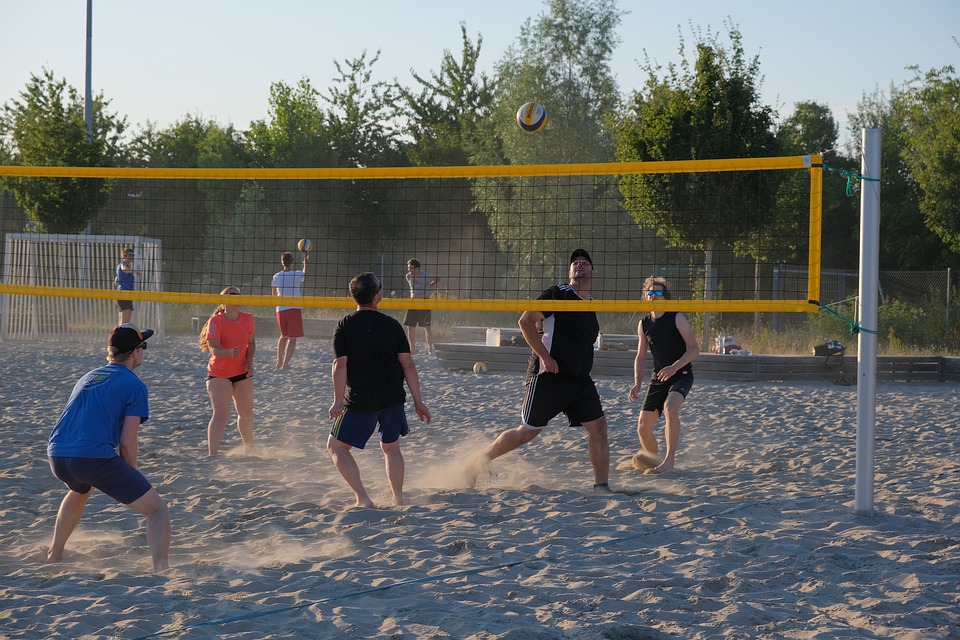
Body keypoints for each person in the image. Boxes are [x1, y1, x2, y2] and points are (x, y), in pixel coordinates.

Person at [465, 249, 611, 493]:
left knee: (599, 428)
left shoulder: (592, 304)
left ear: (593, 272)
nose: (579, 266)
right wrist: (546, 356)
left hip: (579, 381)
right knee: (527, 432)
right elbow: (525, 321)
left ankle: (602, 486)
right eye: (575, 263)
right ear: (569, 271)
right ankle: (475, 464)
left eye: (585, 263)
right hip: (548, 376)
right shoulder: (558, 293)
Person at [45, 323, 171, 572]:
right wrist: (130, 476)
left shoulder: (89, 375)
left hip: (57, 454)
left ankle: (54, 554)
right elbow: (127, 441)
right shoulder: (134, 385)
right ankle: (161, 568)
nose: (143, 351)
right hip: (91, 457)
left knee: (80, 491)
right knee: (157, 510)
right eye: (143, 346)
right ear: (135, 352)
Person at [327, 272, 431, 508]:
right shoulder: (392, 325)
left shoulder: (344, 325)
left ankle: (363, 499)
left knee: (336, 447)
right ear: (377, 297)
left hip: (361, 399)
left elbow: (339, 364)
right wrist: (418, 401)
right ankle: (398, 498)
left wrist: (337, 401)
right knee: (391, 448)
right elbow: (408, 365)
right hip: (392, 397)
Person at [627, 276, 700, 475]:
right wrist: (636, 383)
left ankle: (669, 462)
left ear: (665, 296)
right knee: (643, 427)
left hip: (681, 373)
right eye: (650, 292)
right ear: (646, 296)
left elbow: (694, 348)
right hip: (659, 377)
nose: (653, 296)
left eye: (658, 292)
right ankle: (653, 459)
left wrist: (675, 367)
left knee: (670, 407)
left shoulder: (676, 317)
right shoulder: (644, 324)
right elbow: (640, 357)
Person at [199, 286, 256, 456]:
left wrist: (249, 362)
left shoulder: (248, 319)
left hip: (241, 371)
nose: (235, 298)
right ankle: (212, 454)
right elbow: (213, 348)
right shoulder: (216, 321)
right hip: (219, 373)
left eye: (238, 295)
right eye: (232, 295)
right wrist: (229, 353)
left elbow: (251, 343)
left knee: (245, 412)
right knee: (221, 414)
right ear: (224, 301)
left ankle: (249, 448)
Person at [272, 250, 309, 370]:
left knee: (283, 336)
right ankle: (285, 364)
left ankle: (279, 362)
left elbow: (274, 295)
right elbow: (305, 273)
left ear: (282, 262)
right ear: (292, 262)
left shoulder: (276, 276)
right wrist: (305, 263)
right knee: (292, 338)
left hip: (281, 309)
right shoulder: (297, 274)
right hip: (294, 308)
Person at [402, 258, 440, 355]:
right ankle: (412, 349)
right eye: (408, 268)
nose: (409, 270)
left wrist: (429, 286)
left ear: (417, 268)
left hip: (424, 302)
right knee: (410, 326)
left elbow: (438, 278)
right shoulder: (408, 276)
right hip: (413, 303)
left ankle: (430, 349)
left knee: (426, 326)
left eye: (411, 268)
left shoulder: (425, 276)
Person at [115, 246, 139, 325]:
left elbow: (116, 280)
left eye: (133, 255)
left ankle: (118, 336)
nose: (131, 257)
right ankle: (120, 336)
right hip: (124, 294)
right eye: (129, 255)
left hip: (123, 294)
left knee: (123, 321)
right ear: (124, 256)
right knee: (125, 321)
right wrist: (135, 272)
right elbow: (125, 269)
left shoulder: (122, 266)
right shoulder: (123, 264)